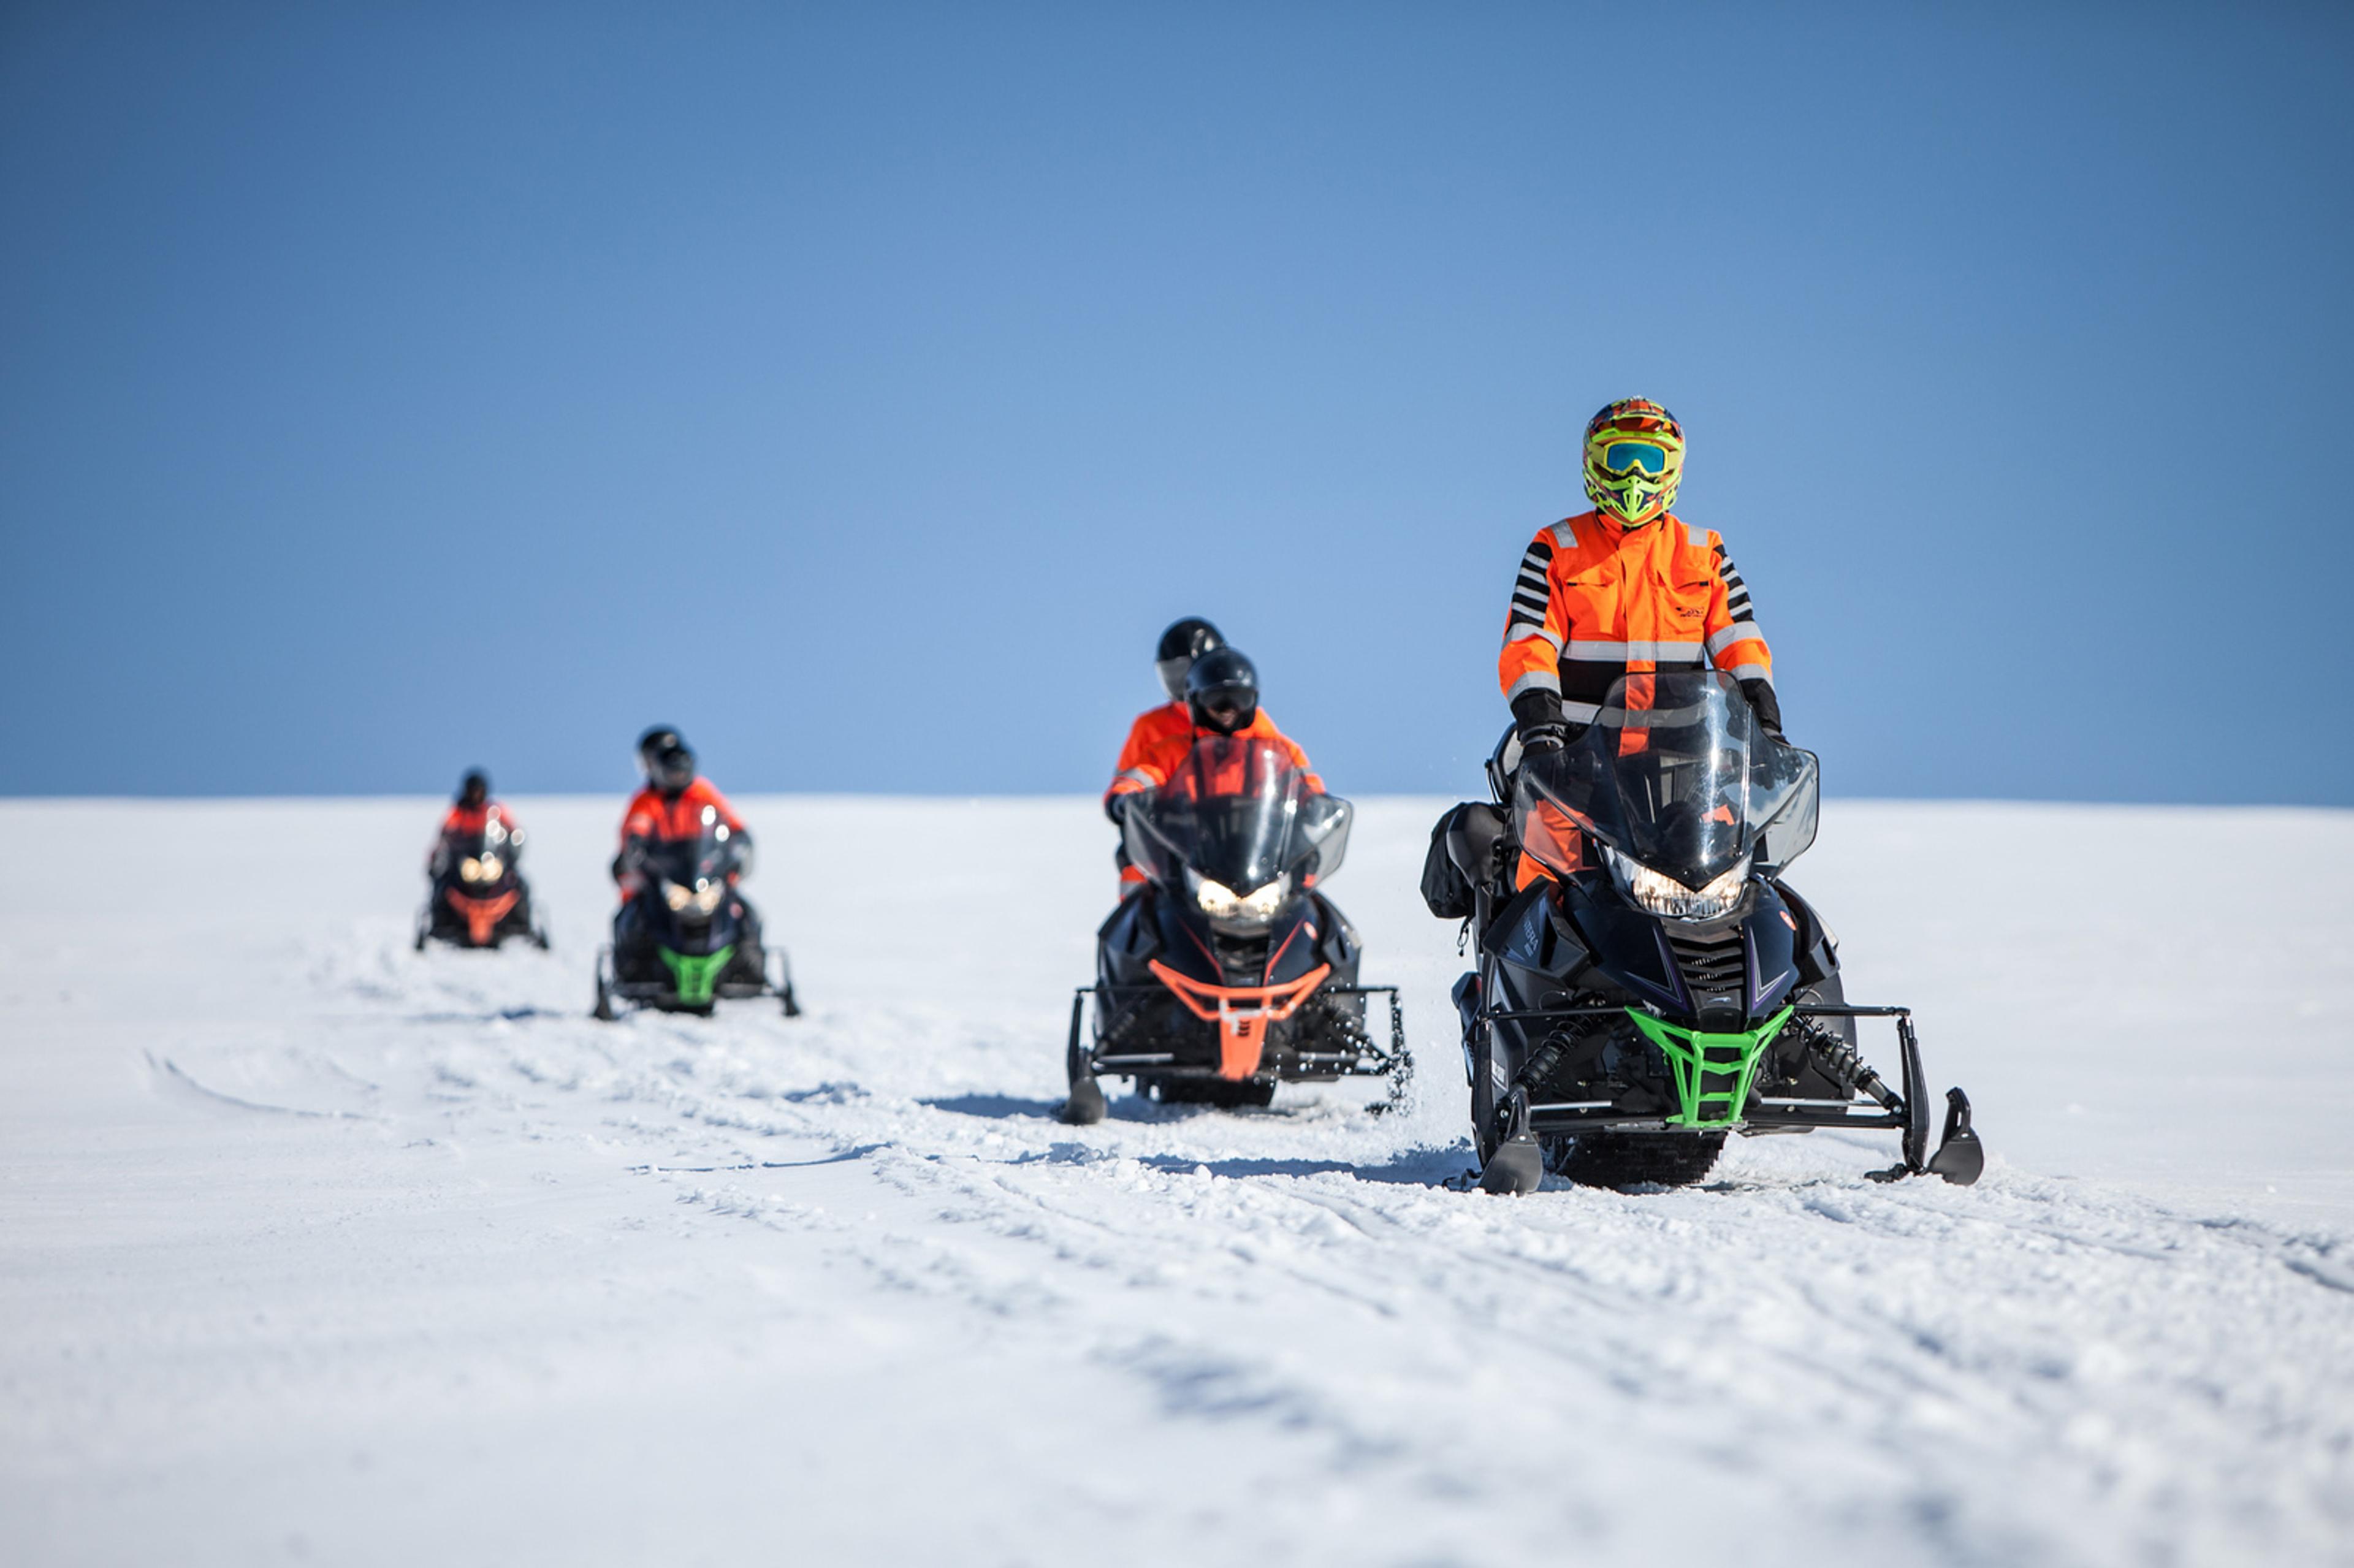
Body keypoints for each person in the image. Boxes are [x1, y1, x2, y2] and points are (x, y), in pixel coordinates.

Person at [1496, 398, 1780, 883]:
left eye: (1650, 461)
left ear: (1673, 469)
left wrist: (1766, 729)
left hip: (1686, 771)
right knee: (1545, 881)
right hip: (1577, 763)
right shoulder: (1558, 547)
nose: (1634, 476)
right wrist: (1542, 728)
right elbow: (1530, 643)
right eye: (1619, 457)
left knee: (1747, 879)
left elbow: (1741, 644)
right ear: (1593, 463)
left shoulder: (1703, 553)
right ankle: (1515, 957)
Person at [1106, 647, 1325, 819]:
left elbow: (1307, 786)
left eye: (1239, 700)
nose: (1229, 709)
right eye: (1217, 700)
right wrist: (1126, 799)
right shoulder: (1172, 752)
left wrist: (1315, 803)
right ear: (1197, 702)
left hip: (1261, 859)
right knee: (1138, 872)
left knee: (1304, 870)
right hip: (1189, 857)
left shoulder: (1280, 753)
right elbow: (1141, 777)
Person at [1104, 618, 1236, 887]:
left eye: (1186, 672)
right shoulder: (1151, 727)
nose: (1181, 684)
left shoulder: (1247, 723)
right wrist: (1125, 799)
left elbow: (1284, 765)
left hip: (1241, 842)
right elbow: (1133, 777)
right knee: (1135, 873)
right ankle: (1135, 927)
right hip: (1171, 841)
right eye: (1172, 675)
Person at [612, 728, 756, 972]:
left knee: (745, 914)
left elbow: (728, 821)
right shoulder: (647, 800)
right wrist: (635, 845)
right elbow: (638, 824)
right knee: (633, 917)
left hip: (702, 873)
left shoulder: (702, 793)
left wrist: (739, 843)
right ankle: (632, 971)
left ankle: (750, 968)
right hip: (662, 874)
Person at [427, 769, 521, 880]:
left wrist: (510, 852)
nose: (476, 795)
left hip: (489, 860)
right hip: (465, 861)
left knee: (518, 882)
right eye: (473, 791)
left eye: (479, 791)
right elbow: (446, 834)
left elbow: (511, 829)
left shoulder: (494, 810)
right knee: (444, 883)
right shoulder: (459, 812)